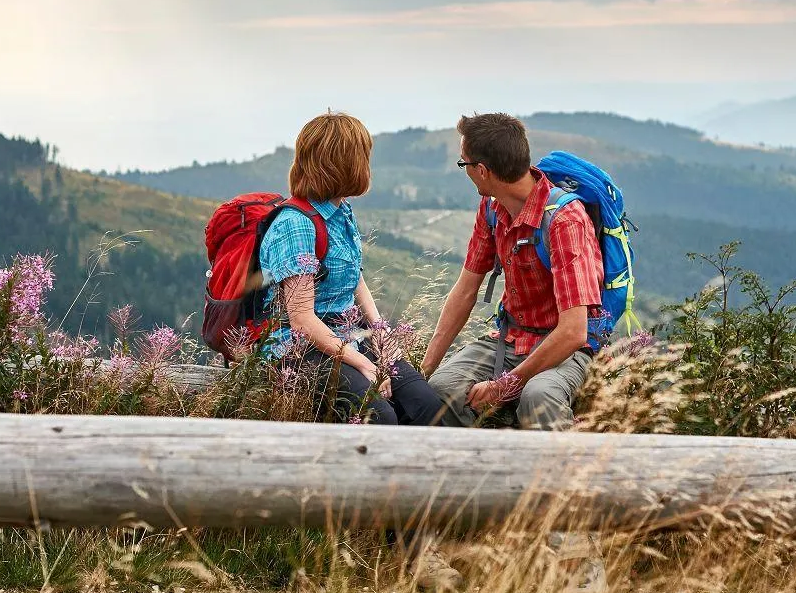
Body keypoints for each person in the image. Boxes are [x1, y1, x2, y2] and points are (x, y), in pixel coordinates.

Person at [258, 112, 445, 426]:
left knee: (427, 406)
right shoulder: (296, 226)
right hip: (301, 349)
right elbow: (302, 320)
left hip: (348, 333)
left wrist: (380, 331)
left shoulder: (340, 209)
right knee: (379, 416)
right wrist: (365, 364)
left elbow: (351, 274)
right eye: (363, 156)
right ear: (344, 164)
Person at [423, 113, 604, 431]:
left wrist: (504, 385)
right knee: (442, 390)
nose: (465, 171)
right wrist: (425, 370)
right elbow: (466, 290)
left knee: (539, 396)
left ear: (482, 171)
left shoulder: (565, 221)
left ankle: (560, 478)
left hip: (566, 347)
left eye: (463, 163)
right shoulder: (492, 208)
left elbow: (573, 332)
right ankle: (479, 472)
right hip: (511, 338)